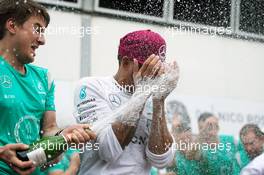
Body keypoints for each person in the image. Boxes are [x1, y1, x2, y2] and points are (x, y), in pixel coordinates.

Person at [0, 0, 96, 174]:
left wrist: (64, 135)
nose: (42, 40)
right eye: (37, 29)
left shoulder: (44, 78)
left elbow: (49, 130)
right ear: (12, 25)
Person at [74, 30, 178, 174]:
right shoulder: (92, 86)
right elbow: (108, 151)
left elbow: (161, 161)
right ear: (125, 62)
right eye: (147, 68)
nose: (153, 76)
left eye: (157, 70)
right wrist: (140, 95)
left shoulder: (153, 97)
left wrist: (159, 100)